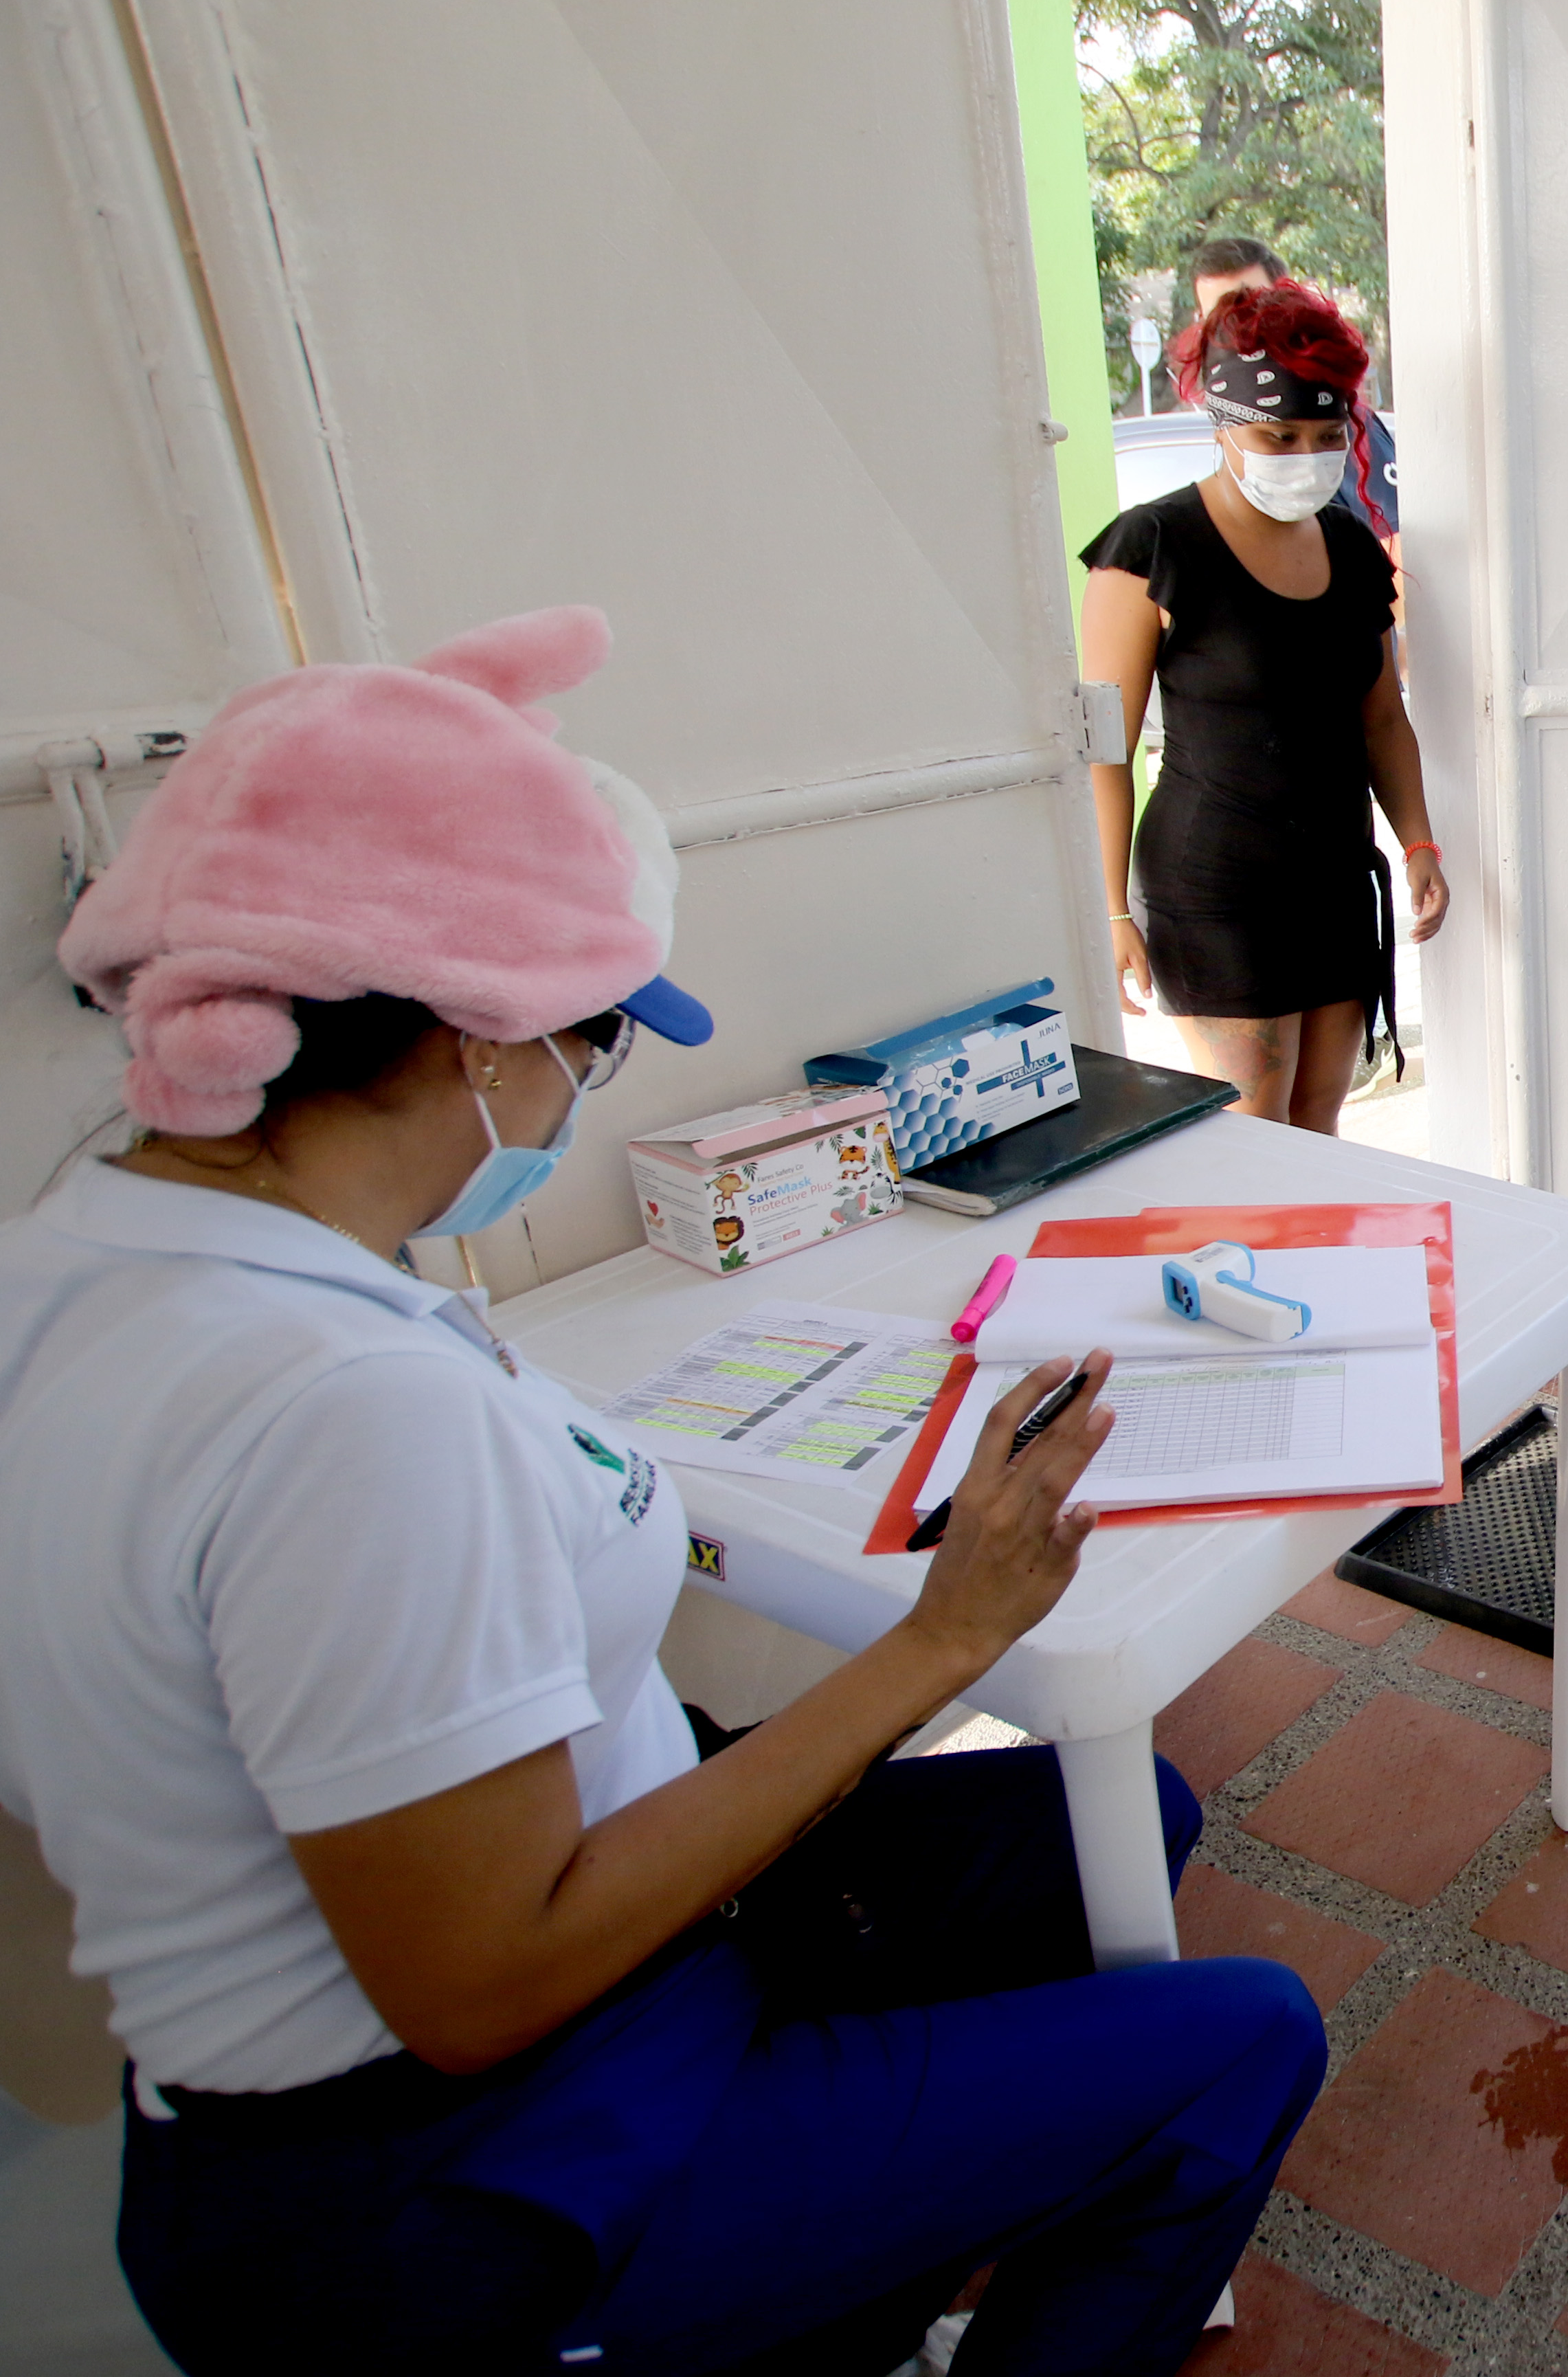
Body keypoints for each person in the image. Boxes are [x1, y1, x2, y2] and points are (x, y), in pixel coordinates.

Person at [0, 607, 1327, 2374]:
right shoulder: (344, 1416)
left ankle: (827, 2302)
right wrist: (946, 1637)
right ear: (479, 1038)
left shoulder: (82, 1267)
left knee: (1107, 1828)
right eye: (595, 1040)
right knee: (1240, 2043)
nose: (578, 1087)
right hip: (446, 2180)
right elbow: (480, 1988)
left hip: (489, 2011)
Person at [1081, 280, 1446, 1128]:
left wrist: (1418, 838)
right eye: (1281, 435)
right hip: (1217, 889)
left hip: (1336, 877)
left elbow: (1382, 716)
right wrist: (1108, 910)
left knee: (1321, 1122)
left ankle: (1315, 1267)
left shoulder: (1353, 547)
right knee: (1252, 1131)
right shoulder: (1150, 547)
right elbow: (1106, 750)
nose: (1307, 455)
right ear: (1223, 423)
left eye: (1327, 436)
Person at [1181, 238, 1398, 536]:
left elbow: (1397, 548)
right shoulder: (1161, 537)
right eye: (1217, 318)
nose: (1236, 330)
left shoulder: (1340, 422)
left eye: (1250, 306)